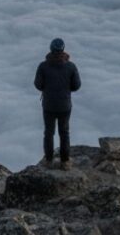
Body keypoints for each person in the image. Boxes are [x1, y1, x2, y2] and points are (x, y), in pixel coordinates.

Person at [34, 37, 81, 169]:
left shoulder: (43, 66)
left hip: (48, 105)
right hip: (65, 105)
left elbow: (38, 84)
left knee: (49, 133)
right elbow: (76, 85)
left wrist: (47, 88)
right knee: (64, 132)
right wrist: (66, 89)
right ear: (63, 49)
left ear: (51, 49)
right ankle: (65, 162)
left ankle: (48, 160)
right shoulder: (71, 66)